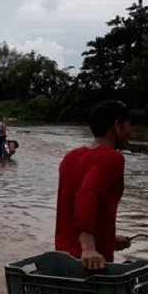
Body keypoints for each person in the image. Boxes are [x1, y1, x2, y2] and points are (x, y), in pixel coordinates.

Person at [55, 100, 133, 271]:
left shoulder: (71, 157)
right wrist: (89, 248)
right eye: (128, 125)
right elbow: (86, 195)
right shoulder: (112, 158)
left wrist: (109, 239)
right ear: (116, 126)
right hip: (92, 265)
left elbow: (72, 205)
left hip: (63, 261)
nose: (130, 131)